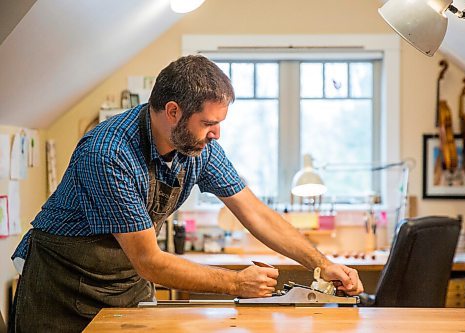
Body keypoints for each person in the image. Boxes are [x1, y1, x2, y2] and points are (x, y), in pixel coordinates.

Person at [9, 55, 363, 332]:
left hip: (126, 284)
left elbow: (255, 213)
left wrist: (323, 265)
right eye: (209, 123)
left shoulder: (199, 148)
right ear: (173, 112)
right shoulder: (108, 154)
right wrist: (236, 282)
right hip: (60, 286)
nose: (217, 134)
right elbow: (149, 260)